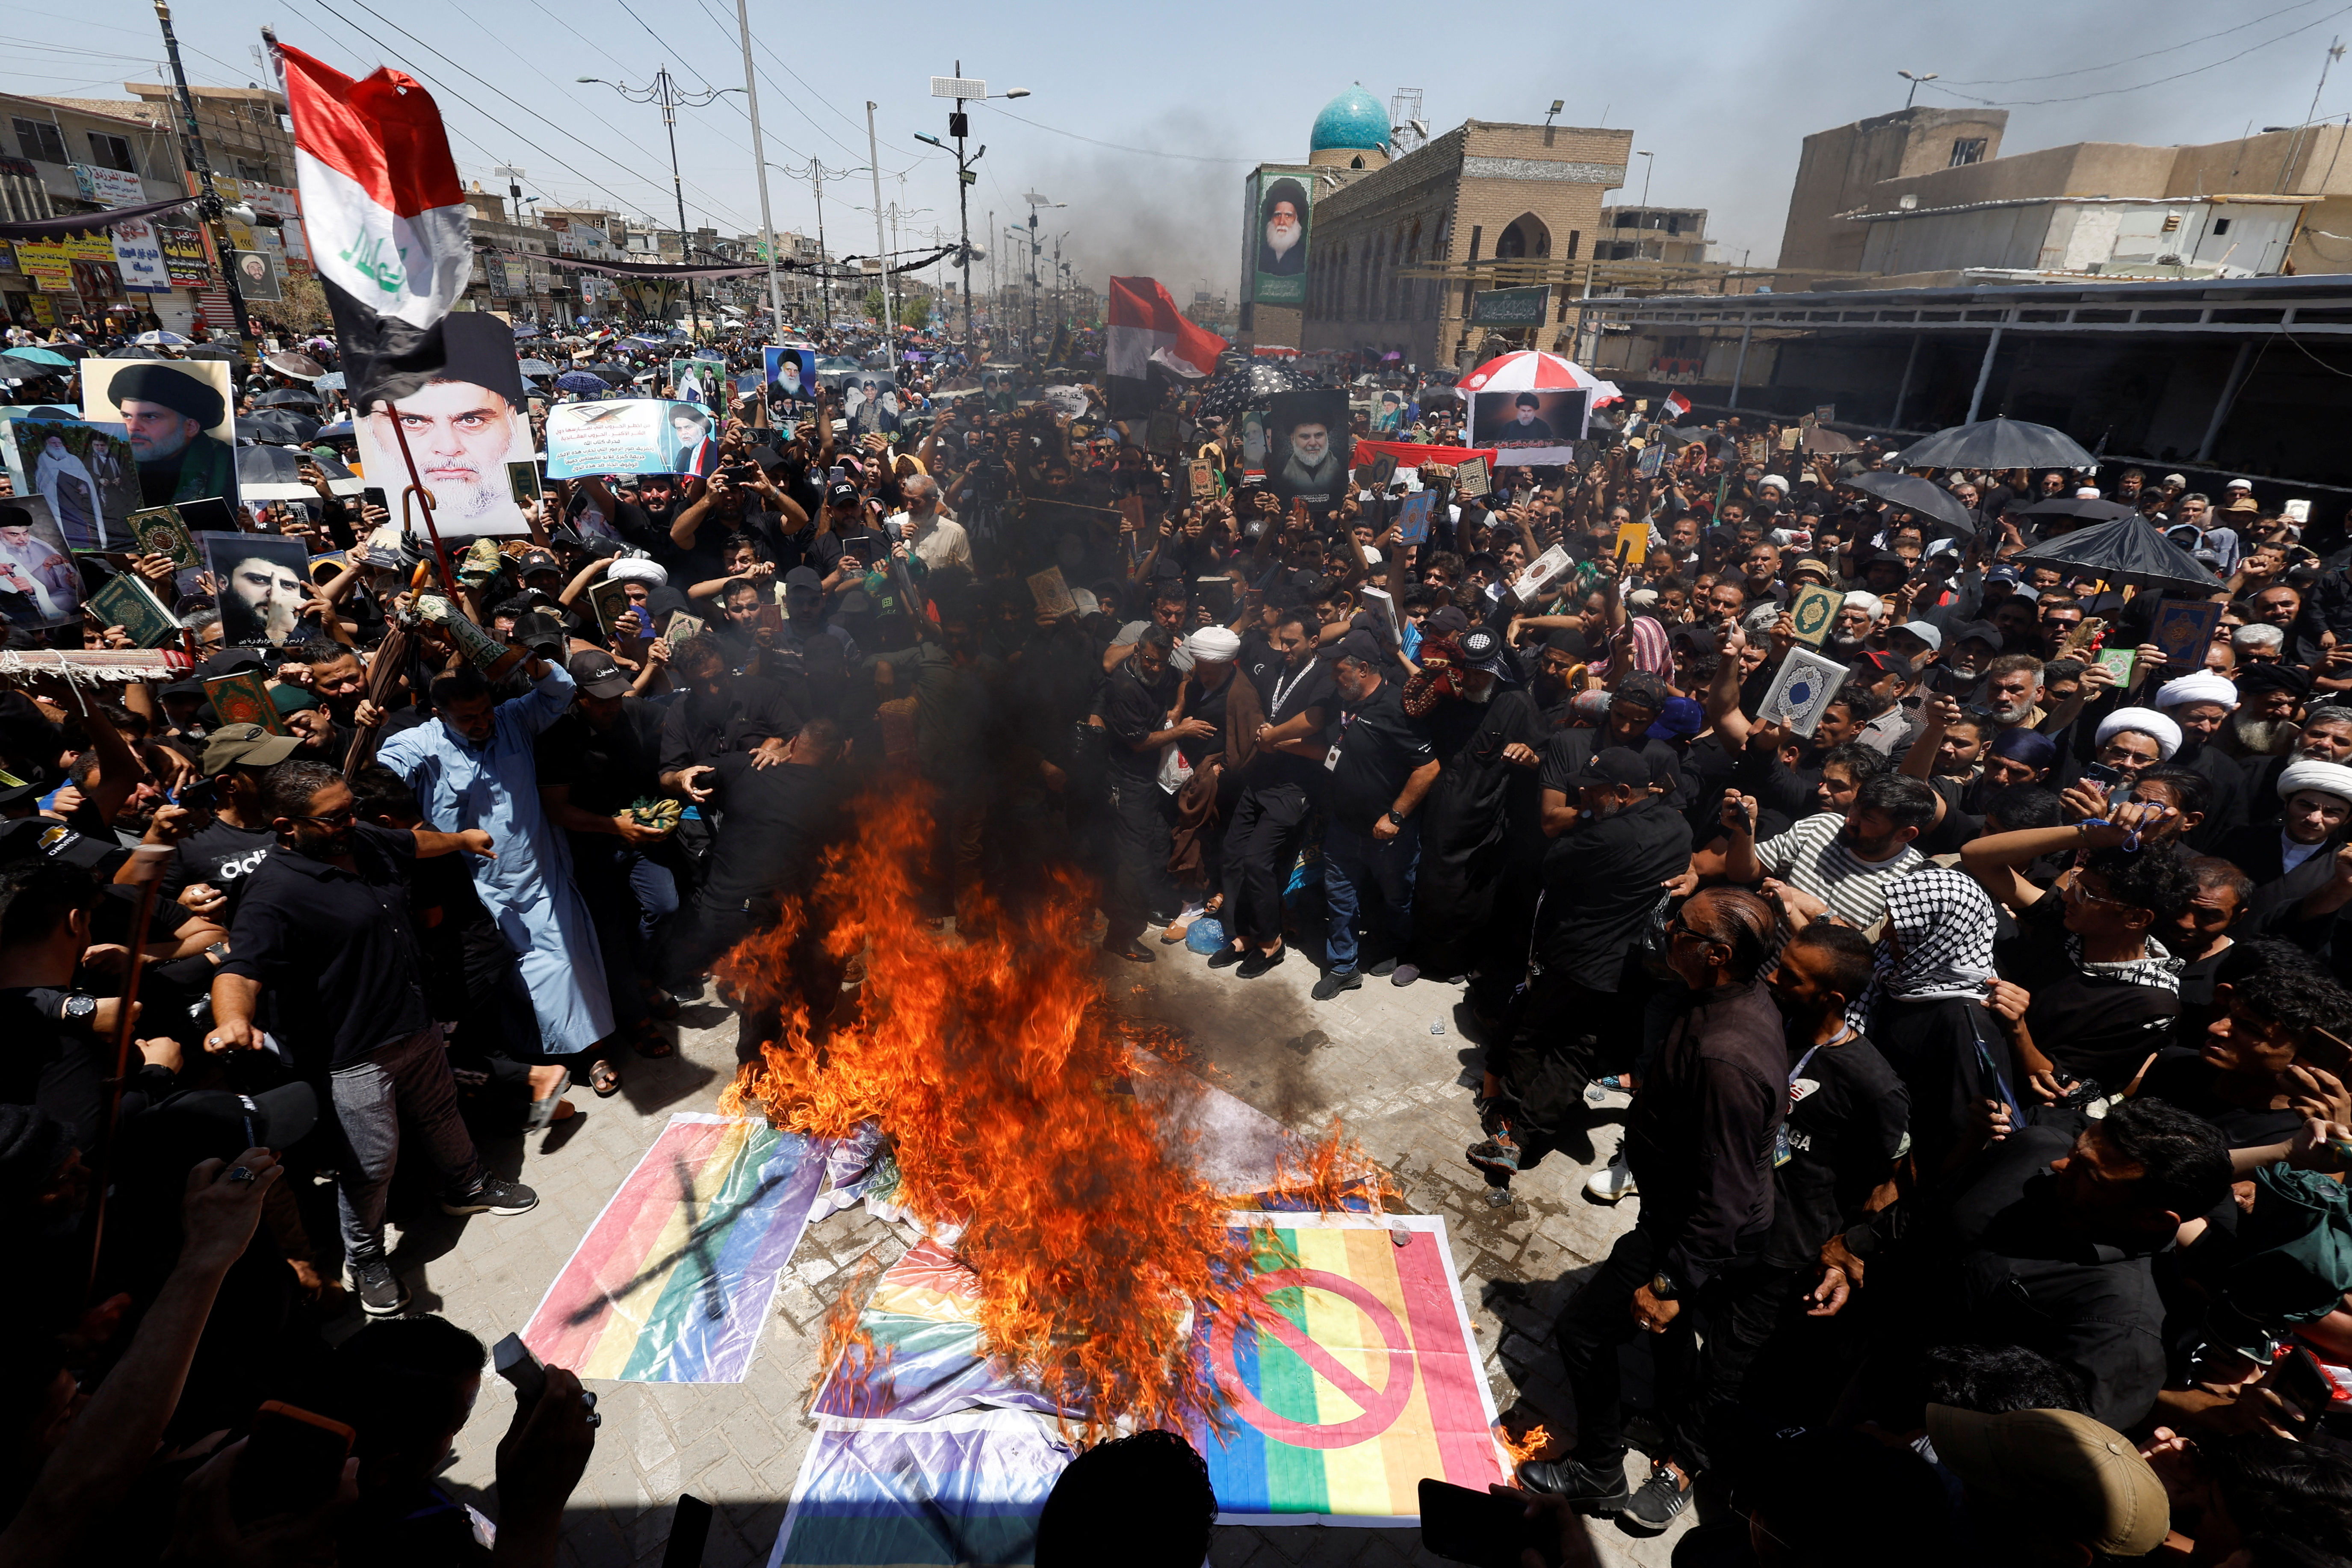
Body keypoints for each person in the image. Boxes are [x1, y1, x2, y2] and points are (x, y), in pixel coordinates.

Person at [205, 760, 536, 1316]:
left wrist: (461, 838)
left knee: (441, 1111)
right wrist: (233, 1018)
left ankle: (468, 1185)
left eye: (351, 809)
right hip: (353, 1054)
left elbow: (411, 842)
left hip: (417, 1022)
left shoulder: (362, 837)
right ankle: (365, 1259)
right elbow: (238, 969)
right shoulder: (275, 892)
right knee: (371, 1162)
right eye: (335, 817)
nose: (351, 822)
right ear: (288, 826)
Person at [1520, 886, 1782, 1533]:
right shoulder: (1727, 998)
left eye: (1681, 930)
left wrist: (1669, 1279)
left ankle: (1599, 1468)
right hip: (1677, 1210)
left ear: (1718, 953)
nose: (1668, 932)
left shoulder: (1727, 1056)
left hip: (1690, 1229)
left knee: (1583, 1329)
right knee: (1667, 1331)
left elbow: (1723, 1195)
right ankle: (1663, 1416)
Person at [378, 660, 617, 1064]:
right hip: (475, 890)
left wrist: (531, 661)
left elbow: (559, 690)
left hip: (537, 873)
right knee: (506, 977)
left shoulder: (513, 720)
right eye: (467, 717)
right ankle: (533, 1063)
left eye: (485, 710)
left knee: (564, 964)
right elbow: (386, 772)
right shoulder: (420, 743)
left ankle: (591, 1053)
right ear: (440, 714)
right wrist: (371, 737)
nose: (482, 722)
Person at [1475, 747, 1695, 1181]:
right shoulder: (1678, 827)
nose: (1584, 801)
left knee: (1530, 1037)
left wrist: (1593, 819)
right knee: (1576, 1051)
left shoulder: (1603, 836)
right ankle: (1530, 1137)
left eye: (1592, 794)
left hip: (1571, 961)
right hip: (1621, 972)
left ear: (1621, 791)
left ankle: (1508, 1128)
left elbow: (1553, 867)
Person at [1313, 628, 1439, 999]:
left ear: (1363, 669)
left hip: (1388, 835)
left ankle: (1394, 946)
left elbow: (1428, 768)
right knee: (1339, 897)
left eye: (1340, 671)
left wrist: (1396, 817)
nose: (1333, 678)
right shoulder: (1342, 703)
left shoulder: (1396, 708)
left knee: (1397, 896)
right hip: (1343, 827)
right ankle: (1343, 966)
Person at [356, 313, 532, 535]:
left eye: (471, 420)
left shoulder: (527, 518)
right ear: (369, 425)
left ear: (512, 418)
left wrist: (534, 526)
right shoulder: (383, 523)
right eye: (412, 421)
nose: (448, 448)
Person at [108, 361, 234, 506]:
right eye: (127, 416)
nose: (132, 427)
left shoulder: (226, 465)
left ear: (191, 427)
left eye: (150, 417)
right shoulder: (108, 458)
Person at [0, 506, 79, 626]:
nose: (23, 539)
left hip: (56, 599)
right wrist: (43, 570)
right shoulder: (3, 556)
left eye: (25, 533)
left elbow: (64, 584)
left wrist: (71, 581)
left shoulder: (39, 546)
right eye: (14, 535)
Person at [216, 545, 305, 646]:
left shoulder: (308, 637)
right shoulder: (215, 635)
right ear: (223, 583)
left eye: (288, 585)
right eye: (259, 580)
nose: (275, 594)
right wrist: (277, 631)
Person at [1255, 178, 1309, 277]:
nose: (1282, 222)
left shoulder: (1305, 254)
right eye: (1278, 215)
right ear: (1271, 219)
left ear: (1296, 220)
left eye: (1288, 216)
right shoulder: (1260, 253)